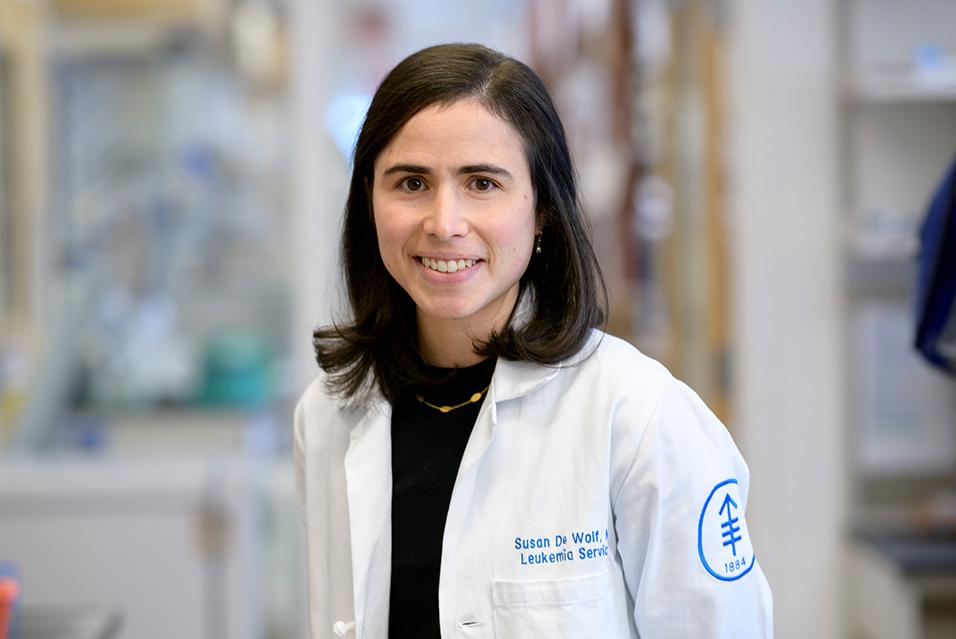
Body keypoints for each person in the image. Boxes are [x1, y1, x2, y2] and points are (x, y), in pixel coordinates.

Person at [294, 43, 773, 639]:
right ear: (369, 201)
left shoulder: (640, 416)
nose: (443, 223)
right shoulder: (327, 415)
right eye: (411, 182)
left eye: (482, 183)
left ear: (542, 209)